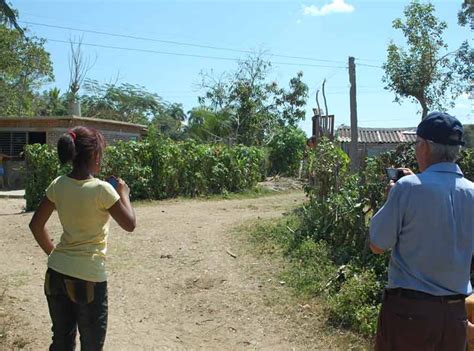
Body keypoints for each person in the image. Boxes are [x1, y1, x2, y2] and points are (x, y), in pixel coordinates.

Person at [369, 112, 474, 351]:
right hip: (456, 316)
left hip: (410, 315)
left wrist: (391, 199)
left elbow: (377, 244)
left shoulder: (407, 188)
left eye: (417, 143)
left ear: (425, 146)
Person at [29, 126, 136, 350]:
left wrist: (55, 253)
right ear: (95, 155)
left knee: (61, 341)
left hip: (56, 274)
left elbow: (36, 225)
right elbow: (129, 224)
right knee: (91, 345)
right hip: (88, 278)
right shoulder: (102, 190)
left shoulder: (58, 184)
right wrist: (124, 194)